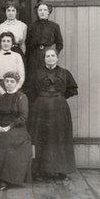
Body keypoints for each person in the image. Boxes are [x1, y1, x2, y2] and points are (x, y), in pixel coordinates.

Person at [27, 48, 77, 180]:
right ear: (44, 59)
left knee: (60, 137)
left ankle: (61, 170)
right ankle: (40, 171)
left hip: (59, 109)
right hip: (41, 108)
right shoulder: (36, 73)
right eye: (47, 56)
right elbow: (30, 90)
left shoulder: (65, 73)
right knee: (40, 137)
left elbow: (71, 90)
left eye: (52, 56)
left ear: (57, 58)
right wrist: (42, 99)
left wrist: (57, 97)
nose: (50, 58)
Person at [0, 71, 32, 190]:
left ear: (17, 83)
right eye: (7, 81)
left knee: (7, 141)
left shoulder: (22, 97)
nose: (9, 84)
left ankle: (7, 179)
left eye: (12, 81)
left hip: (18, 128)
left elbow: (23, 117)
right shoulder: (1, 98)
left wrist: (9, 127)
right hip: (2, 126)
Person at [0, 32, 25, 109]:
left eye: (8, 41)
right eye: (3, 41)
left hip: (14, 86)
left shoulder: (17, 56)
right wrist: (0, 90)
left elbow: (21, 74)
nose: (6, 43)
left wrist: (15, 88)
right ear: (0, 43)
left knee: (13, 109)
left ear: (12, 43)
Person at [26, 1, 63, 75]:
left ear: (48, 12)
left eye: (45, 10)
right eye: (40, 10)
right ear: (37, 12)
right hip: (34, 55)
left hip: (47, 54)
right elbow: (27, 43)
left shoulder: (54, 26)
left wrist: (53, 55)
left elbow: (60, 44)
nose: (42, 12)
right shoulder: (31, 26)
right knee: (34, 75)